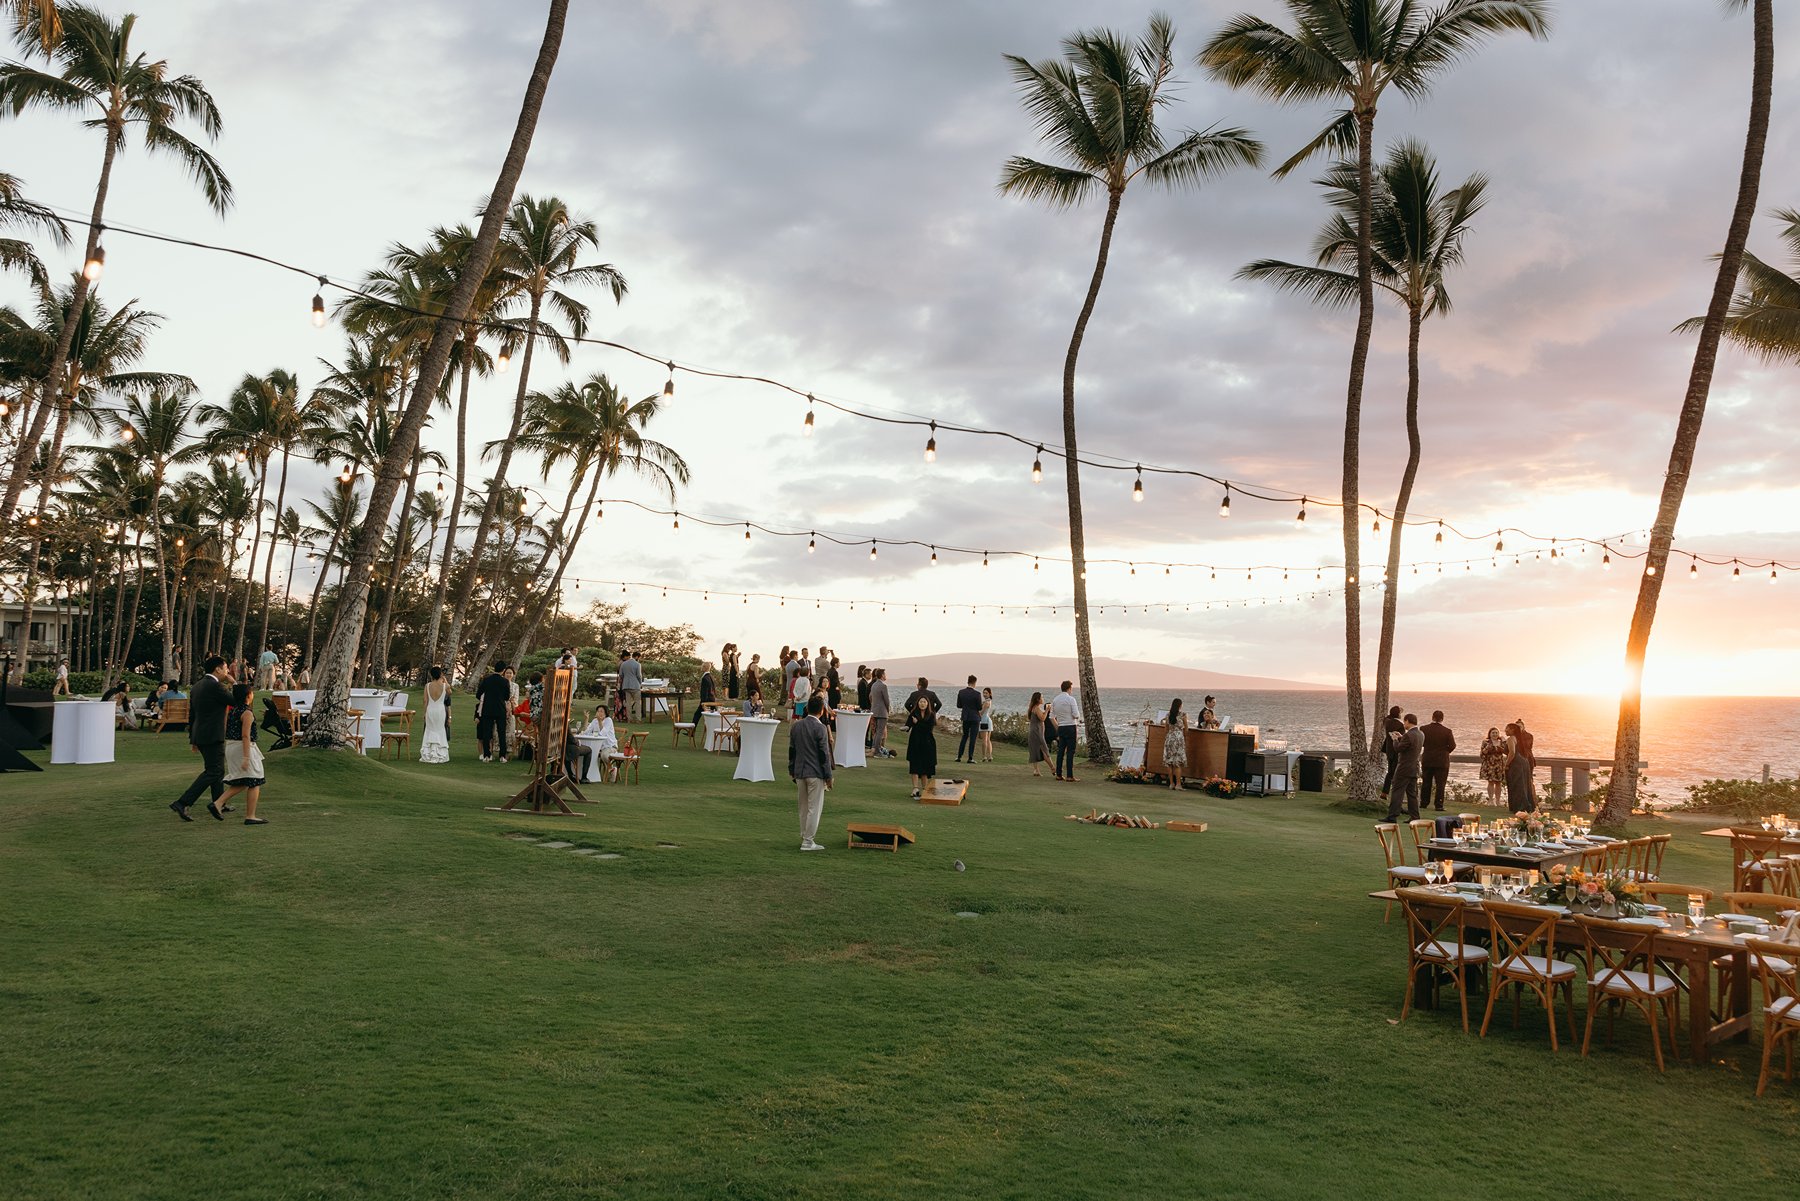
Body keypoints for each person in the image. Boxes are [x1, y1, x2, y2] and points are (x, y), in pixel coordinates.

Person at [169, 655, 233, 822]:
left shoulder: (197, 686)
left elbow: (193, 715)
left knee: (216, 770)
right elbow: (236, 700)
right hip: (212, 734)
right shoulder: (215, 686)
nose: (227, 671)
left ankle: (219, 803)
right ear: (218, 669)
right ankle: (182, 802)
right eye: (225, 668)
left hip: (201, 734)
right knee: (214, 771)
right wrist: (234, 683)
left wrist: (193, 738)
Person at [216, 682, 268, 825]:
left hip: (231, 746)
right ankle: (250, 815)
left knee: (244, 780)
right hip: (243, 747)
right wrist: (246, 757)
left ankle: (218, 803)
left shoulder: (232, 710)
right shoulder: (247, 713)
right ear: (248, 695)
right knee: (255, 779)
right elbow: (245, 735)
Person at [788, 694, 834, 851]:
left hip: (800, 771)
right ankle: (808, 841)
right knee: (814, 808)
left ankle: (804, 836)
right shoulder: (820, 728)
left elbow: (792, 750)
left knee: (803, 806)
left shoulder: (796, 726)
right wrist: (828, 776)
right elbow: (823, 754)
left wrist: (791, 769)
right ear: (822, 710)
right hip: (815, 773)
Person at [904, 678, 941, 800]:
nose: (922, 703)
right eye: (920, 702)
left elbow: (927, 728)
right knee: (914, 764)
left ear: (927, 703)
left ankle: (925, 789)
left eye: (924, 702)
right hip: (915, 741)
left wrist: (917, 722)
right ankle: (915, 788)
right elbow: (909, 724)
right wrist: (907, 726)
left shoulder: (931, 715)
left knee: (925, 767)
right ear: (918, 703)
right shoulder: (914, 713)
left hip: (927, 742)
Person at [1384, 713, 1424, 822]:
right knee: (1412, 794)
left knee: (1397, 790)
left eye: (1405, 722)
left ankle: (1392, 816)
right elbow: (1410, 745)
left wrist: (1395, 739)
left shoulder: (1408, 735)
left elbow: (1398, 749)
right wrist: (1401, 737)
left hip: (1404, 768)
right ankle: (1415, 816)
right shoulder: (1421, 734)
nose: (1404, 724)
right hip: (1414, 767)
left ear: (1407, 721)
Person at [1420, 710, 1457, 812]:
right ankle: (1439, 805)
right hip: (1442, 761)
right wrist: (1445, 752)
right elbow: (1453, 745)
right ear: (1442, 718)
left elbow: (1421, 743)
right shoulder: (1447, 731)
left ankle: (1424, 803)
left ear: (1432, 717)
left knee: (1426, 782)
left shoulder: (1424, 729)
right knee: (1440, 784)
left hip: (1427, 759)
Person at [476, 661, 512, 763]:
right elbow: (506, 696)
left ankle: (487, 755)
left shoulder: (487, 680)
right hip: (500, 709)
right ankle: (502, 756)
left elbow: (478, 694)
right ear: (503, 670)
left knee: (487, 732)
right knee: (501, 732)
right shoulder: (505, 681)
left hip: (487, 709)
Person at [1050, 681, 1082, 781]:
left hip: (1061, 727)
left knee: (1061, 751)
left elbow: (1051, 717)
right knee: (1070, 752)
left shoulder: (1055, 700)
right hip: (1071, 726)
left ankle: (1059, 774)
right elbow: (1076, 714)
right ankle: (1069, 775)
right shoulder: (1071, 699)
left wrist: (1058, 727)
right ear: (1069, 688)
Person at [419, 665, 451, 763]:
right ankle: (439, 754)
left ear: (431, 675)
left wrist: (424, 713)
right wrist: (445, 681)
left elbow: (425, 701)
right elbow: (450, 693)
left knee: (429, 730)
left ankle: (428, 754)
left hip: (430, 710)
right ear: (440, 674)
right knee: (440, 729)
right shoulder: (444, 685)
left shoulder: (427, 686)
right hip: (440, 710)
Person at [580, 706, 619, 782]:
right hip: (598, 747)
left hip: (610, 746)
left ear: (605, 713)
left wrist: (600, 721)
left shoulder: (608, 720)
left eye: (601, 711)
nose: (599, 713)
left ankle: (612, 769)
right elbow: (586, 732)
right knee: (588, 752)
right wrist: (586, 719)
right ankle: (588, 774)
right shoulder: (595, 721)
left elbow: (602, 733)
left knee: (604, 755)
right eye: (598, 711)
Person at [1505, 721, 1535, 813]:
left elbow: (1512, 752)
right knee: (1524, 784)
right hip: (1524, 762)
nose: (1505, 730)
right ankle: (1526, 805)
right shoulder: (1520, 738)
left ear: (1512, 730)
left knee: (1516, 784)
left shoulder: (1511, 739)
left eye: (1507, 728)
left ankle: (1519, 806)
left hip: (1516, 763)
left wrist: (1506, 764)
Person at [1379, 705, 1405, 800]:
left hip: (1389, 750)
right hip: (1396, 750)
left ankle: (1384, 792)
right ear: (1398, 715)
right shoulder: (1400, 725)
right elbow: (1403, 738)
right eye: (1400, 713)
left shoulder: (1387, 722)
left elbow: (1387, 718)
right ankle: (1396, 793)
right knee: (1396, 773)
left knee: (1390, 772)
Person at [1161, 698, 1188, 790]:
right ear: (1180, 705)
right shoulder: (1183, 715)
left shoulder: (1168, 715)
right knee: (1177, 762)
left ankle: (1171, 783)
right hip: (1178, 738)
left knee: (1170, 762)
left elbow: (1166, 729)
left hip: (1169, 737)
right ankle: (1178, 784)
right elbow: (1186, 729)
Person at [955, 675, 982, 764]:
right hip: (975, 717)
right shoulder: (977, 694)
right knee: (973, 738)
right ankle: (970, 758)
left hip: (965, 716)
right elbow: (979, 707)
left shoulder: (961, 692)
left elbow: (959, 705)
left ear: (968, 682)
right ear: (975, 683)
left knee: (964, 736)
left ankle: (959, 756)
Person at [1479, 726, 1508, 805]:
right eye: (1493, 733)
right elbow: (1482, 754)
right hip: (1489, 764)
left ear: (1498, 734)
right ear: (1490, 734)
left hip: (1499, 764)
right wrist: (1488, 748)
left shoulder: (1501, 742)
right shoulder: (1486, 742)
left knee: (1498, 783)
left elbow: (1507, 751)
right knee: (1490, 782)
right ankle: (1491, 800)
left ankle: (1498, 801)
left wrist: (1504, 741)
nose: (1495, 734)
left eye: (1496, 733)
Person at [1513, 716, 1537, 806]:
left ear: (1523, 727)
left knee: (1529, 780)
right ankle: (1519, 801)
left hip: (1527, 759)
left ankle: (1532, 801)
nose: (1518, 729)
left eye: (1520, 727)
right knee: (1518, 781)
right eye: (1516, 727)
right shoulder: (1514, 736)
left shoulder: (1529, 736)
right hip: (1517, 760)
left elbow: (1526, 747)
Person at [869, 668, 892, 758]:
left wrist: (874, 704)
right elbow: (887, 700)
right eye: (885, 674)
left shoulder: (874, 685)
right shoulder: (883, 686)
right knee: (880, 732)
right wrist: (888, 710)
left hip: (874, 710)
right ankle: (877, 752)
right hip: (882, 712)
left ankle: (874, 748)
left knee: (876, 732)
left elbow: (870, 696)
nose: (886, 676)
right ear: (882, 675)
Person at [1027, 691, 1049, 778]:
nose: (1043, 699)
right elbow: (1043, 718)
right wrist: (1047, 710)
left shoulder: (1032, 708)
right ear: (1038, 699)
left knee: (1034, 750)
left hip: (1033, 731)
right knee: (1044, 749)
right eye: (1042, 697)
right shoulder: (1036, 708)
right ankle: (1053, 768)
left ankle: (1036, 770)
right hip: (1036, 732)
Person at [618, 650, 643, 722]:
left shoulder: (623, 664)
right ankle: (638, 719)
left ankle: (629, 719)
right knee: (638, 702)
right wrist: (640, 683)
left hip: (626, 685)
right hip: (635, 685)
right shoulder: (637, 664)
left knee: (628, 703)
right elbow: (639, 675)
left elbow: (621, 675)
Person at [978, 687, 995, 762]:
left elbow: (981, 713)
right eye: (984, 693)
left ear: (989, 694)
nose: (984, 694)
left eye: (986, 693)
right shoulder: (988, 701)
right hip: (988, 720)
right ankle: (990, 756)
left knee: (984, 740)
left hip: (984, 721)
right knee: (988, 740)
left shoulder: (986, 702)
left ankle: (984, 756)